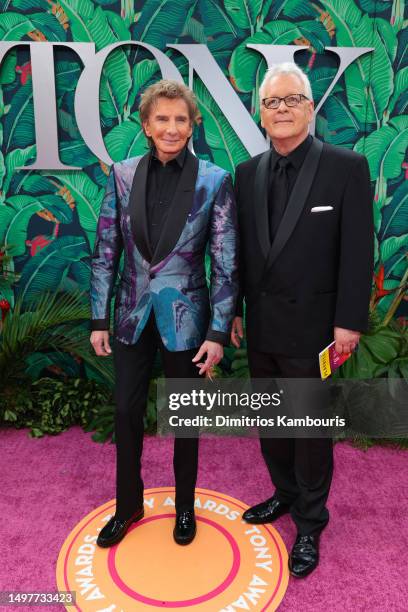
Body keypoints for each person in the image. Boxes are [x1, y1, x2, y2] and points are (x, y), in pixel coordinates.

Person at [231, 62, 373, 577]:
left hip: (317, 330)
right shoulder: (247, 174)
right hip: (263, 326)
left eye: (292, 100)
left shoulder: (346, 167)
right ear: (261, 113)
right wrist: (235, 314)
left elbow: (358, 252)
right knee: (272, 422)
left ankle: (311, 523)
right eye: (272, 102)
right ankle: (285, 494)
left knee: (310, 431)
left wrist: (348, 323)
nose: (282, 109)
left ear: (311, 108)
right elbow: (245, 254)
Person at [90, 80, 238, 548]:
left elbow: (227, 261)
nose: (171, 128)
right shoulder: (122, 173)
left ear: (192, 124)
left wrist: (217, 331)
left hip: (188, 319)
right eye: (162, 119)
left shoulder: (215, 180)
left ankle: (186, 507)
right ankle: (128, 504)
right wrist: (99, 318)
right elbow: (107, 248)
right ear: (147, 126)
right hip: (131, 313)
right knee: (125, 411)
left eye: (180, 119)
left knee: (185, 419)